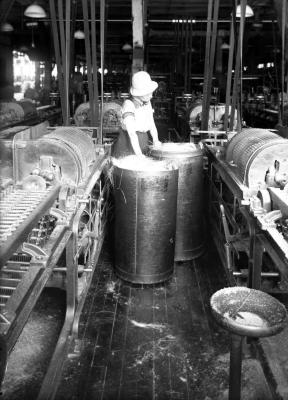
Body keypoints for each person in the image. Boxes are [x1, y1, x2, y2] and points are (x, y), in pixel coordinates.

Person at [111, 71, 161, 158]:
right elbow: (132, 134)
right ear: (139, 93)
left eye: (151, 92)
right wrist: (139, 155)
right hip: (127, 145)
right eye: (148, 93)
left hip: (143, 141)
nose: (151, 96)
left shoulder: (147, 101)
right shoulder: (129, 105)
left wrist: (156, 140)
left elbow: (151, 122)